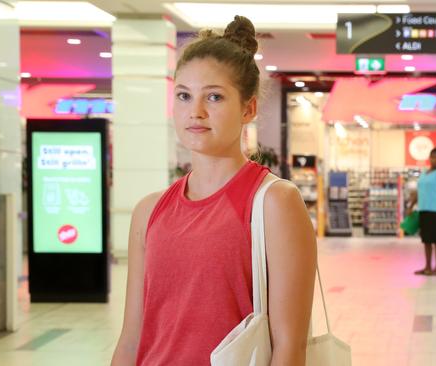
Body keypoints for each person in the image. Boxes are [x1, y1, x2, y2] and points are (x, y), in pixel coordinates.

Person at [111, 16, 317, 366]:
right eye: (184, 96)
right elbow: (132, 339)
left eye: (215, 97)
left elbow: (289, 346)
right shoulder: (149, 212)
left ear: (248, 108)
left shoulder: (273, 203)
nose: (196, 112)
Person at [406, 148, 436, 276]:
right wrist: (411, 206)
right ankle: (427, 267)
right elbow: (418, 191)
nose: (434, 159)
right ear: (429, 158)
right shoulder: (424, 173)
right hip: (424, 209)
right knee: (426, 241)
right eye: (432, 157)